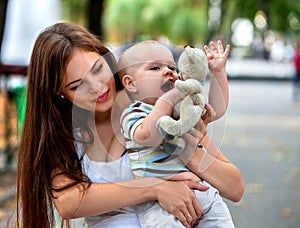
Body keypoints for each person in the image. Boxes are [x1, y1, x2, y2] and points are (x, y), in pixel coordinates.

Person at [16, 22, 243, 228]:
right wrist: (154, 188)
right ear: (60, 93)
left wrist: (190, 153)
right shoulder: (66, 133)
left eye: (98, 69)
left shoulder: (152, 104)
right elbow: (69, 201)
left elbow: (234, 187)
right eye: (77, 85)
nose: (97, 87)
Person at [113, 40, 235, 227]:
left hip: (203, 192)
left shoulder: (182, 108)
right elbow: (147, 136)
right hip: (161, 204)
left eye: (171, 66)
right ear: (131, 83)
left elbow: (215, 110)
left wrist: (217, 72)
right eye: (155, 68)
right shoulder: (134, 113)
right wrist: (170, 98)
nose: (168, 71)